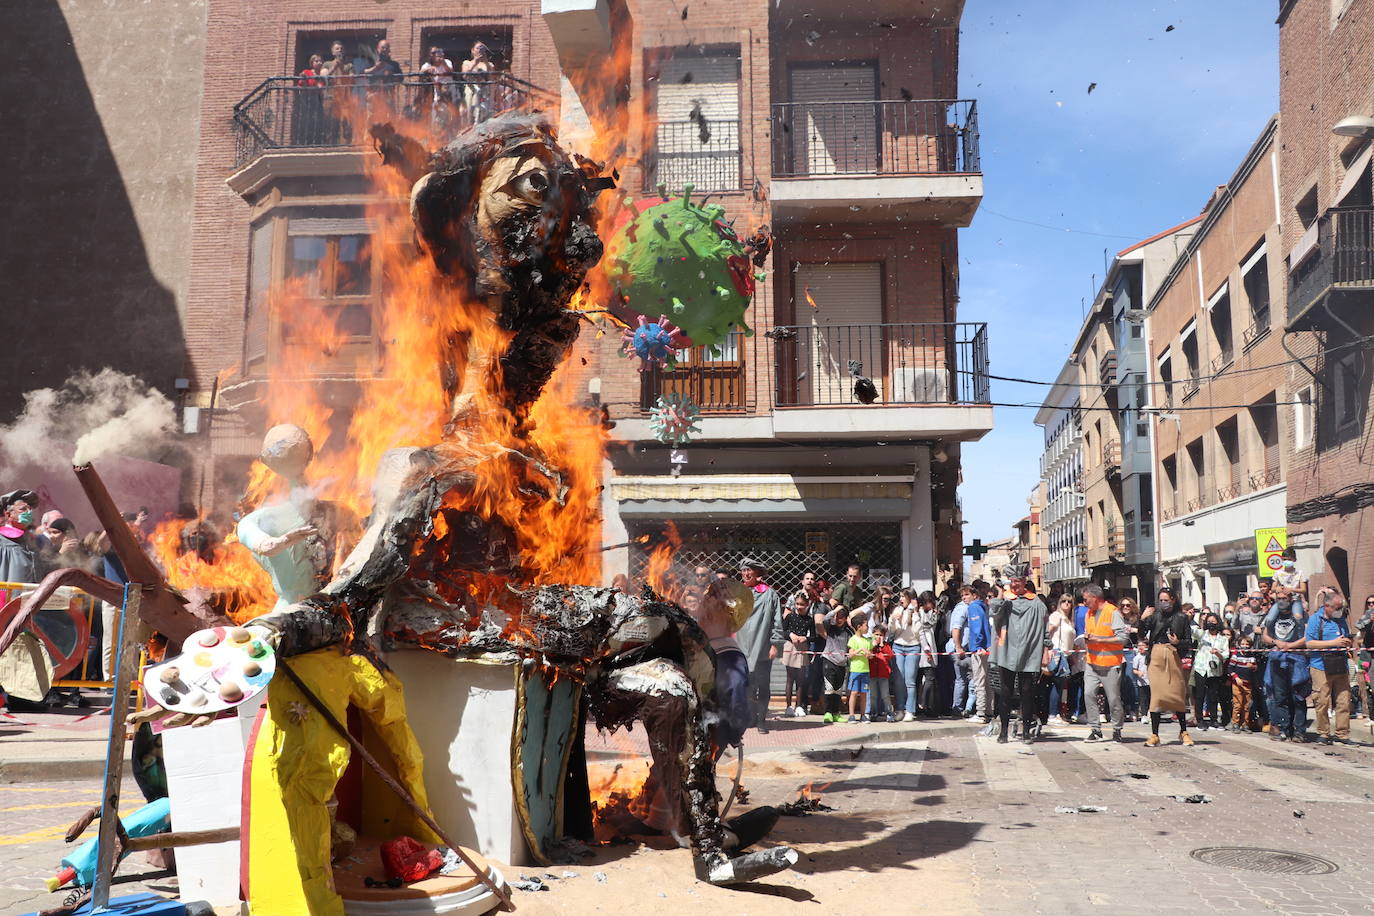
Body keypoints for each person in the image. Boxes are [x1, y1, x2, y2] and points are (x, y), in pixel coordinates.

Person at [989, 576, 1048, 744]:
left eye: (1018, 581)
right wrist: (1001, 592)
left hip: (1029, 653)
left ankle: (1026, 732)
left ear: (1024, 583)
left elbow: (1045, 627)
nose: (1015, 585)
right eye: (1012, 582)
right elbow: (994, 611)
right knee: (1005, 693)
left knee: (1027, 694)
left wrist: (1045, 649)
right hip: (1006, 651)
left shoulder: (1036, 603)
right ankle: (1003, 732)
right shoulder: (1005, 601)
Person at [736, 559, 783, 734]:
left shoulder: (769, 594)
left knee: (763, 685)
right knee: (747, 686)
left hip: (762, 648)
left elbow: (777, 621)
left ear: (757, 573)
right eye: (743, 570)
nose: (746, 574)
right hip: (741, 648)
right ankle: (751, 718)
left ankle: (762, 720)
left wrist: (775, 644)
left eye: (749, 570)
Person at [1143, 587, 1193, 747]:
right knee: (1157, 696)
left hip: (1172, 654)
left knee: (1176, 694)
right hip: (1156, 656)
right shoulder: (1155, 616)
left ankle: (1183, 731)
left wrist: (1178, 642)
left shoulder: (1182, 617)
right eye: (1161, 600)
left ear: (1173, 600)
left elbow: (1189, 641)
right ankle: (1154, 734)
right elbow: (1140, 633)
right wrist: (1142, 619)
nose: (1163, 603)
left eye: (1166, 600)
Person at [1079, 584, 1128, 742]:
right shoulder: (1088, 614)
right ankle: (1095, 729)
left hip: (1110, 664)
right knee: (1088, 694)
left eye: (1086, 599)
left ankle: (1117, 729)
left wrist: (1099, 639)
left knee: (1113, 699)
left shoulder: (1113, 612)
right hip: (1092, 663)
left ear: (1095, 597)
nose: (1084, 602)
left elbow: (1122, 638)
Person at [1305, 592, 1354, 745]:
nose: (1339, 610)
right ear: (1327, 606)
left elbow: (1345, 638)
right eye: (1337, 607)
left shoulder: (1341, 620)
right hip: (1320, 665)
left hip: (1340, 664)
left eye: (1341, 607)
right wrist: (1333, 643)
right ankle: (1324, 733)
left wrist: (1347, 642)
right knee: (1322, 701)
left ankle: (1342, 733)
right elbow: (1309, 643)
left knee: (1343, 701)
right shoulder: (1315, 620)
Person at [1262, 590, 1309, 742]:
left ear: (1290, 599)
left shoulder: (1300, 614)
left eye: (1284, 598)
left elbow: (1307, 636)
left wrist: (1290, 645)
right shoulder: (1273, 616)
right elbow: (1265, 636)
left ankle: (1299, 731)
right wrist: (1277, 643)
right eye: (1279, 598)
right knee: (1280, 696)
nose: (1281, 601)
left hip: (1297, 659)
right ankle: (1284, 729)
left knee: (1298, 696)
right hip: (1277, 659)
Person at [1041, 596, 1077, 728]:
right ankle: (1052, 714)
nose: (1067, 603)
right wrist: (1047, 649)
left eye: (1069, 601)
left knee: (1060, 686)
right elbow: (1047, 633)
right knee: (1057, 684)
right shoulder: (1056, 616)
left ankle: (1056, 713)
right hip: (1057, 652)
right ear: (1059, 603)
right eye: (1063, 601)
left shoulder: (1069, 620)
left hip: (1066, 655)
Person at [1191, 611, 1231, 730]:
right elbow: (1192, 630)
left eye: (1213, 622)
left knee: (1213, 695)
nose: (1211, 624)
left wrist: (1217, 653)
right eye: (1209, 622)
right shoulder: (1202, 634)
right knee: (1200, 695)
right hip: (1201, 668)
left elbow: (1225, 655)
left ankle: (1214, 719)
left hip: (1215, 670)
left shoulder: (1223, 639)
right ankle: (1200, 720)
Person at [780, 590, 814, 717]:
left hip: (802, 647)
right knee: (790, 678)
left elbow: (814, 636)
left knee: (800, 679)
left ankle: (799, 705)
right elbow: (783, 631)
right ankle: (788, 706)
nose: (799, 607)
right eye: (797, 604)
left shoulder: (809, 620)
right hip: (790, 647)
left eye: (802, 604)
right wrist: (790, 634)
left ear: (807, 605)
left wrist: (806, 638)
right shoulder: (790, 616)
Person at [817, 605, 852, 723]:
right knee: (829, 688)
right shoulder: (830, 627)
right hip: (829, 660)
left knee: (838, 689)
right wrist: (835, 610)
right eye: (837, 616)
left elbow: (852, 644)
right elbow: (825, 619)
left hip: (841, 663)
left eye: (841, 617)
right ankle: (827, 712)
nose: (838, 619)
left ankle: (836, 713)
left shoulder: (848, 631)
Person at [890, 588, 920, 722]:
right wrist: (894, 619)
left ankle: (910, 710)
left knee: (910, 681)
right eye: (900, 596)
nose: (901, 599)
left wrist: (915, 613)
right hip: (898, 645)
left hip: (913, 646)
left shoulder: (916, 611)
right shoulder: (898, 610)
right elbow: (892, 631)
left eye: (904, 596)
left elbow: (918, 631)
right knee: (899, 680)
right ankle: (900, 709)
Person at [0, 489, 42, 584]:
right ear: (8, 514)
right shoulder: (1, 540)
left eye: (30, 509)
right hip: (8, 596)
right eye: (23, 509)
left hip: (31, 596)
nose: (28, 513)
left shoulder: (31, 541)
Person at [914, 591, 942, 716]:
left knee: (925, 678)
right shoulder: (918, 614)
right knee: (927, 677)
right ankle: (923, 703)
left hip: (927, 647)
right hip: (923, 648)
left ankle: (924, 705)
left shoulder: (929, 614)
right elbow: (923, 629)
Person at [846, 612, 873, 723]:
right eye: (866, 625)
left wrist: (868, 654)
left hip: (865, 671)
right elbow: (850, 655)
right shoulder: (853, 640)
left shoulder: (867, 641)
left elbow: (871, 655)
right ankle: (851, 715)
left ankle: (863, 715)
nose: (868, 628)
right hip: (855, 671)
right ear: (859, 627)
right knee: (853, 693)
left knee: (864, 693)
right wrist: (859, 650)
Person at [1229, 636, 1259, 732]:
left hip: (1248, 684)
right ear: (1239, 645)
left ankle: (1245, 723)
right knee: (1237, 704)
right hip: (1237, 683)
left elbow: (1255, 669)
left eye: (1247, 644)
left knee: (1247, 705)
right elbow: (1230, 669)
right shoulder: (1236, 655)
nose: (1244, 646)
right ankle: (1235, 723)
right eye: (1242, 644)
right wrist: (1236, 678)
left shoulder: (1251, 656)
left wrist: (1253, 667)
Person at [461, 41, 497, 123]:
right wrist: (475, 63)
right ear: (472, 50)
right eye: (478, 48)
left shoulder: (490, 65)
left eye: (482, 48)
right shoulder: (467, 63)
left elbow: (491, 78)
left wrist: (486, 62)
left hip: (484, 91)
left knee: (484, 112)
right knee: (471, 112)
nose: (480, 50)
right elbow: (464, 76)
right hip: (472, 90)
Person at [869, 625, 895, 722]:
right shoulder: (870, 644)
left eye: (881, 635)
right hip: (872, 674)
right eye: (876, 634)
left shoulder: (886, 645)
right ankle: (873, 713)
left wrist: (882, 646)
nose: (878, 637)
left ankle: (889, 713)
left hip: (883, 674)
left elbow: (890, 655)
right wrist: (873, 645)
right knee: (873, 695)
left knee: (885, 695)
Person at [1131, 638, 1150, 715]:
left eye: (1142, 645)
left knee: (1150, 698)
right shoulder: (1137, 658)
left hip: (1150, 681)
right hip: (1142, 682)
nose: (1140, 647)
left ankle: (1150, 713)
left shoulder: (1149, 656)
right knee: (1143, 698)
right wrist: (1138, 672)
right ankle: (1144, 714)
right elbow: (1134, 669)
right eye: (1139, 646)